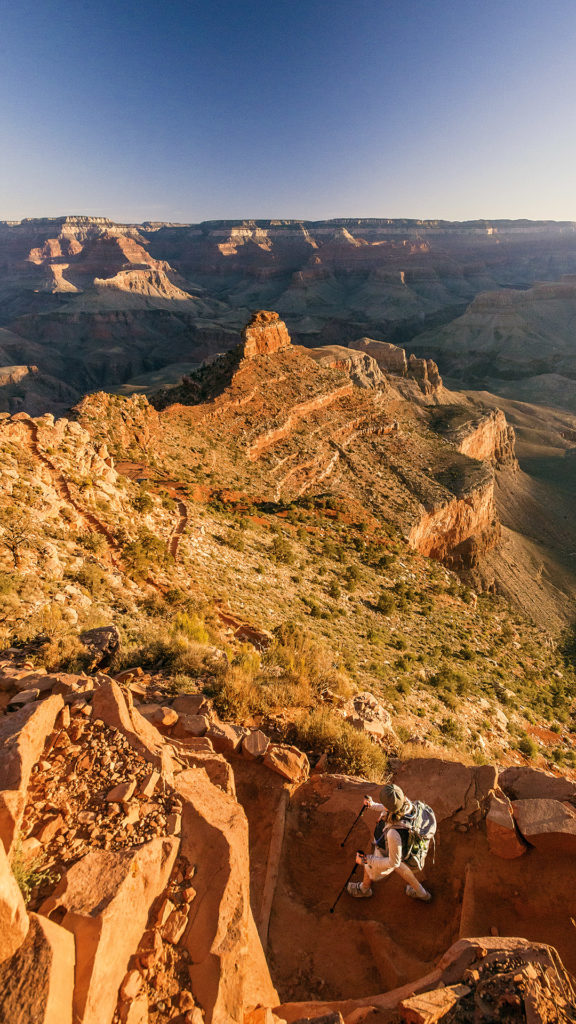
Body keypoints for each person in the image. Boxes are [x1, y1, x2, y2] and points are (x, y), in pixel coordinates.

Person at [347, 783, 433, 902]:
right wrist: (372, 805)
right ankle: (423, 894)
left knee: (370, 868)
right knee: (402, 868)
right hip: (403, 849)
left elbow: (393, 862)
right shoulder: (406, 803)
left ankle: (364, 889)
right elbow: (389, 807)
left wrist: (367, 860)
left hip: (387, 850)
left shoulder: (393, 834)